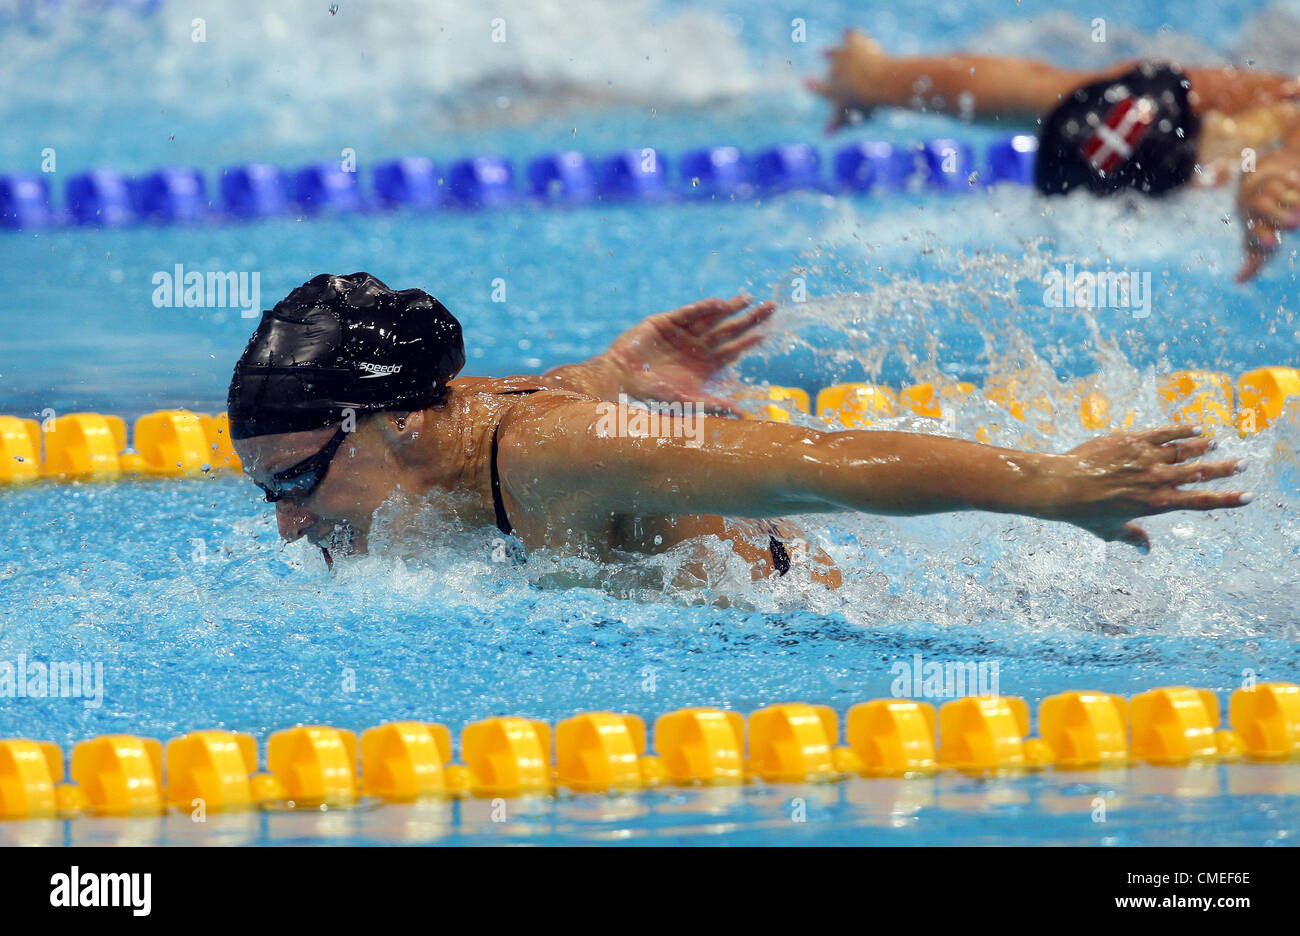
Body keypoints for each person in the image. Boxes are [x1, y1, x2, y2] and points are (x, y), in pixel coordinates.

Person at [228, 273, 1251, 589]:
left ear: (391, 426)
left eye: (294, 483)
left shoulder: (555, 456)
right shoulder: (429, 433)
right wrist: (602, 375)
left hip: (799, 622)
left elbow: (827, 463)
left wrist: (1048, 487)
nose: (286, 524)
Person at [808, 30, 1300, 281]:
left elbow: (1049, 88)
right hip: (1212, 140)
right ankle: (874, 79)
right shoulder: (1259, 109)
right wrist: (1269, 180)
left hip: (1185, 137)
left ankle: (874, 79)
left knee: (1064, 90)